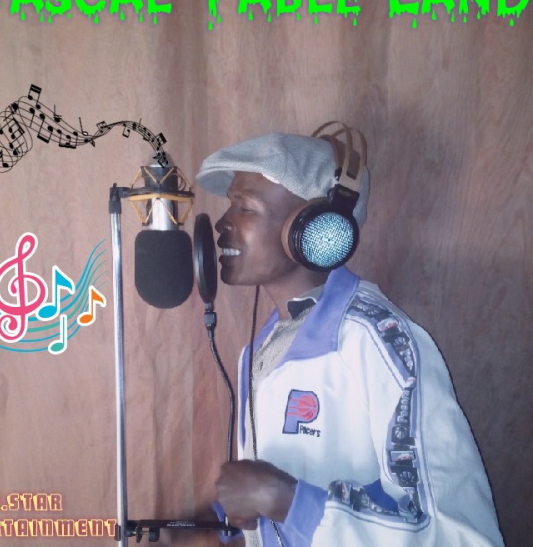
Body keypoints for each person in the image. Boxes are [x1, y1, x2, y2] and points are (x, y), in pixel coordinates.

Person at [196, 128, 504, 546]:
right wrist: (218, 525)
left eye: (245, 207)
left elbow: (461, 535)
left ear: (315, 228)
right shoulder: (260, 351)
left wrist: (285, 501)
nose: (222, 223)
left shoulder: (381, 342)